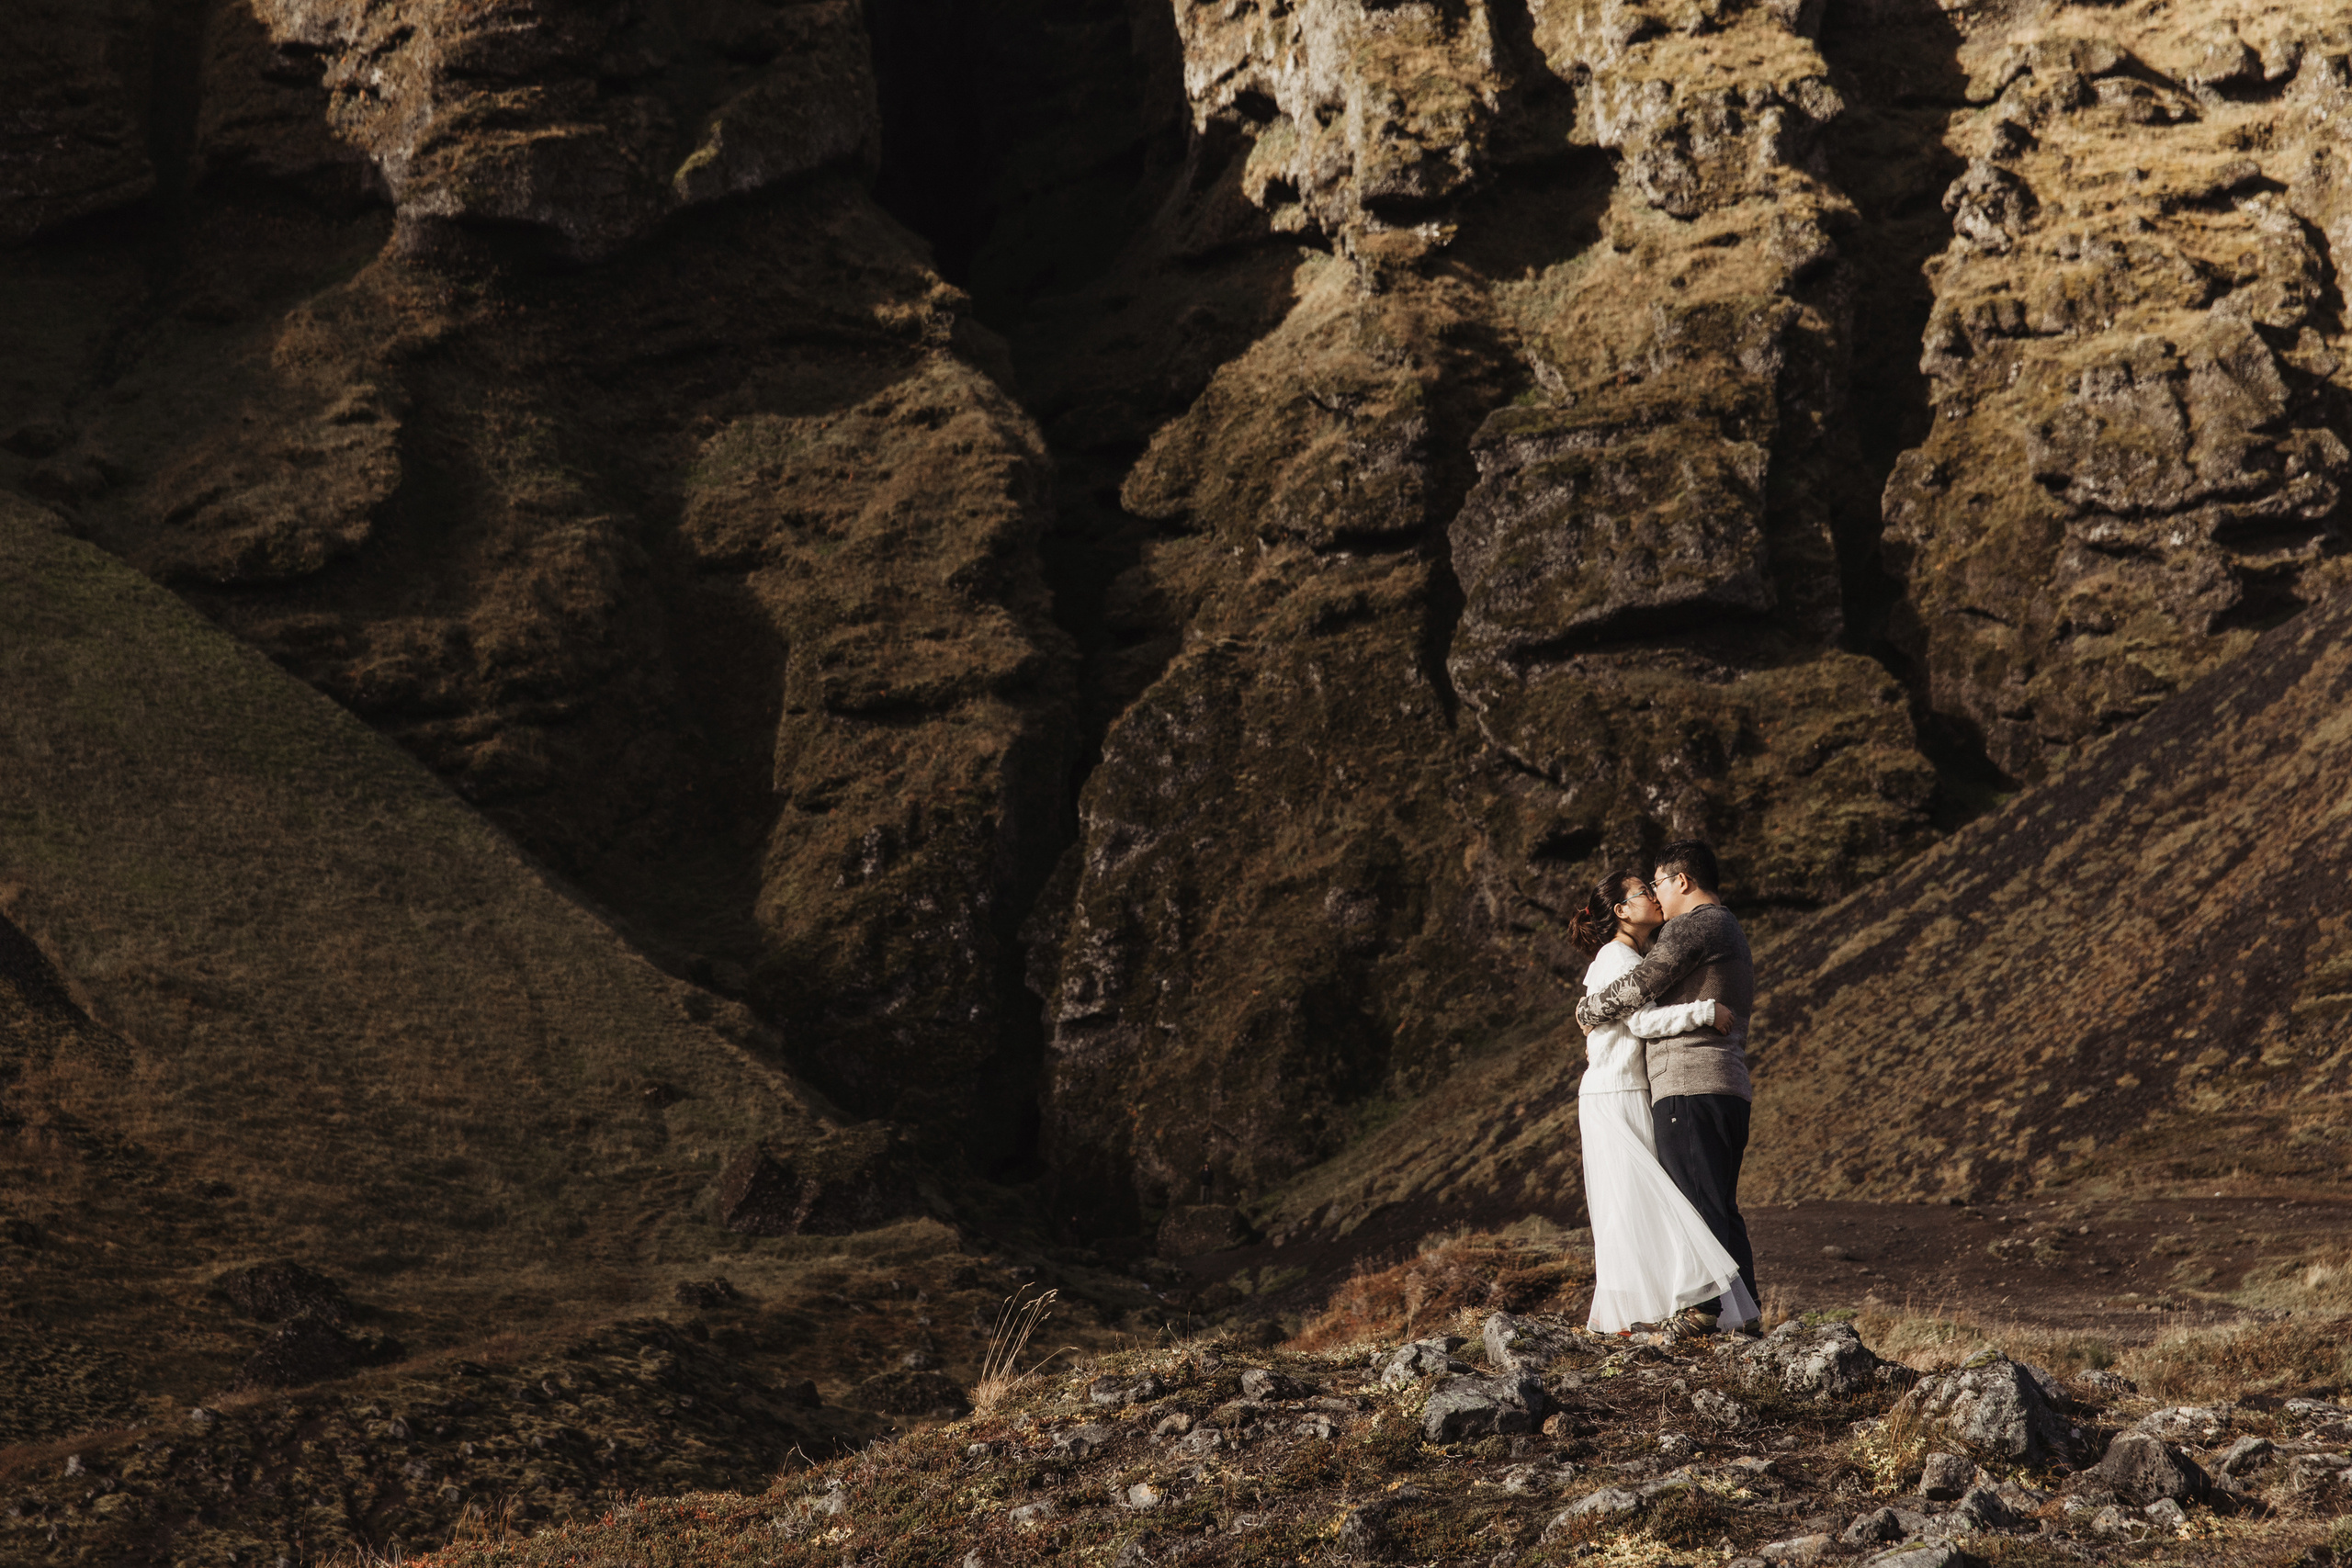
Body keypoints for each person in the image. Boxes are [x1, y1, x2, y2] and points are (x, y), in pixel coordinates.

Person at [1575, 840, 1759, 1333]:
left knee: (1695, 1201)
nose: (1655, 895)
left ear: (1682, 881)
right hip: (1722, 1081)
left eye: (1656, 884)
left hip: (1690, 1079)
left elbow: (1638, 992)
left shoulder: (1692, 926)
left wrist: (1586, 1009)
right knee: (1716, 1203)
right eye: (1646, 890)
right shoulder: (1727, 926)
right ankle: (1743, 1314)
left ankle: (1702, 1313)